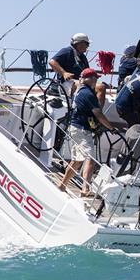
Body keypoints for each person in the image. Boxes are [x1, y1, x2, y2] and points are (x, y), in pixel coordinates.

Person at [58, 68, 114, 196]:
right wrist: (111, 128)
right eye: (95, 78)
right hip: (81, 130)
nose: (96, 81)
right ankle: (85, 189)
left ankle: (62, 185)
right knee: (90, 158)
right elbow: (98, 113)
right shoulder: (88, 94)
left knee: (77, 160)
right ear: (91, 79)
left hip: (76, 128)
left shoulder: (80, 91)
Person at [49, 33, 106, 104]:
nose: (88, 46)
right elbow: (52, 62)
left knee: (102, 86)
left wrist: (94, 77)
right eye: (87, 44)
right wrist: (64, 73)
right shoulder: (67, 51)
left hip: (81, 81)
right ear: (80, 44)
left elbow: (87, 71)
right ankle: (97, 114)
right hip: (67, 83)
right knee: (100, 87)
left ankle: (93, 111)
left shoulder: (82, 57)